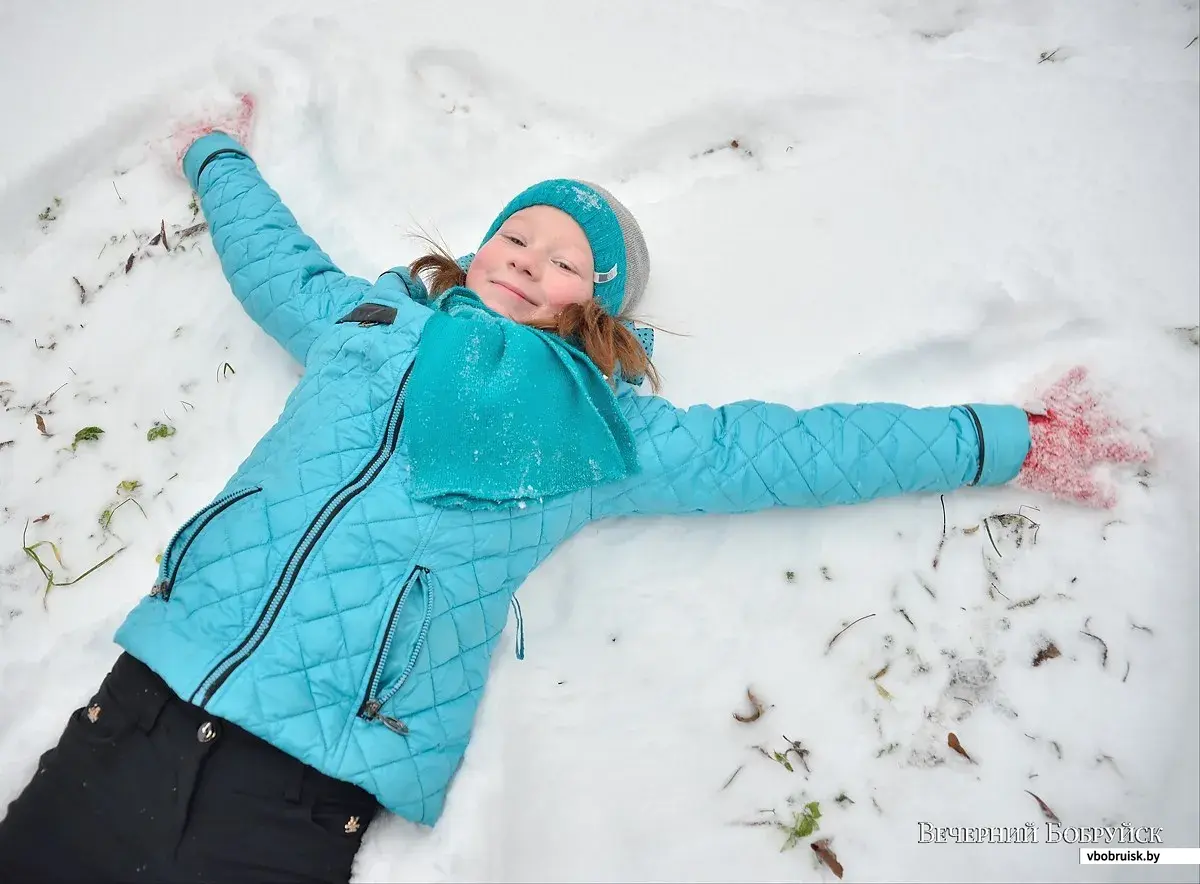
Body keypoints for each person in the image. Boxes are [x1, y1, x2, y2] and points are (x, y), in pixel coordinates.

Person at [0, 96, 1150, 883]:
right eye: (516, 231)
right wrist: (216, 155)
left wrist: (999, 437)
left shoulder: (598, 436)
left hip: (304, 778)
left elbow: (787, 447)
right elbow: (276, 261)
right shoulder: (365, 320)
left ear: (592, 305)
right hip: (148, 693)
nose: (527, 255)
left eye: (563, 256)